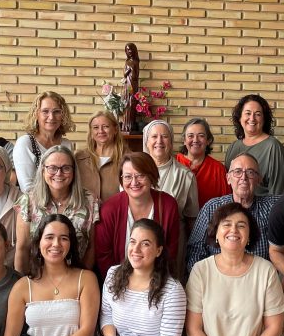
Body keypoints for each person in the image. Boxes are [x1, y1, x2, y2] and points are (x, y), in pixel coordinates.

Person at [185, 202, 284, 336]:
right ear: (216, 233)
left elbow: (274, 328)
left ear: (249, 236)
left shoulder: (265, 271)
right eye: (226, 224)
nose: (234, 230)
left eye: (241, 225)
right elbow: (193, 329)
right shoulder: (200, 271)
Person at [0, 214, 102, 336]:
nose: (56, 244)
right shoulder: (23, 286)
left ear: (71, 244)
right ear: (38, 242)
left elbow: (87, 330)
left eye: (63, 238)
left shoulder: (86, 278)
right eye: (49, 237)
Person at [96, 219, 187, 336]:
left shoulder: (172, 290)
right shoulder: (113, 274)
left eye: (145, 244)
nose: (136, 249)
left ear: (158, 250)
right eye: (132, 241)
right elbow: (106, 314)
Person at [186, 153, 280, 274]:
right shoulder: (212, 208)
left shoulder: (272, 207)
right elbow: (195, 250)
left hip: (259, 279)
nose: (244, 177)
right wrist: (203, 278)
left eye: (250, 172)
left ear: (259, 179)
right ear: (228, 178)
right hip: (216, 279)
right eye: (237, 172)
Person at [94, 152, 182, 277]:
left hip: (157, 279)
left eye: (140, 175)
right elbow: (104, 255)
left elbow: (170, 252)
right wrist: (121, 282)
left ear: (151, 176)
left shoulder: (168, 205)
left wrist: (154, 282)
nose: (134, 182)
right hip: (118, 280)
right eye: (128, 176)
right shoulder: (109, 209)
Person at [15, 145, 98, 273]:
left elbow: (92, 248)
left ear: (74, 171)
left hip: (76, 276)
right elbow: (22, 248)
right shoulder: (28, 202)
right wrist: (24, 281)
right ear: (43, 170)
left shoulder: (89, 201)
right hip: (37, 277)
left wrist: (81, 278)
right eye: (52, 168)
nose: (59, 173)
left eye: (66, 168)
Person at [142, 119, 199, 272]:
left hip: (173, 242)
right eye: (154, 137)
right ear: (146, 141)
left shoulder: (185, 175)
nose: (159, 141)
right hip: (140, 242)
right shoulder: (134, 172)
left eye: (165, 136)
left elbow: (192, 219)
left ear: (171, 142)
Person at [224, 94, 284, 196]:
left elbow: (278, 192)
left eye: (258, 114)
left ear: (264, 119)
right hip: (236, 205)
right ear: (240, 118)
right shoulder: (233, 147)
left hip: (265, 206)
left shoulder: (273, 147)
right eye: (248, 113)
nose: (252, 118)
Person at [14, 91, 75, 193]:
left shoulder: (66, 144)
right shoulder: (25, 143)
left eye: (56, 111)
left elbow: (70, 182)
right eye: (45, 111)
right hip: (35, 201)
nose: (51, 117)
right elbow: (27, 188)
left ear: (63, 115)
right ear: (36, 115)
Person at [176, 117, 230, 207]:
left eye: (201, 136)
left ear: (208, 140)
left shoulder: (218, 169)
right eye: (190, 136)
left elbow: (227, 204)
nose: (195, 140)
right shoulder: (174, 162)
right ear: (184, 140)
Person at [73, 110, 126, 203]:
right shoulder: (78, 158)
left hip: (116, 211)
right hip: (84, 211)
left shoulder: (127, 159)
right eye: (96, 127)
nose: (101, 131)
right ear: (91, 132)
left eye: (105, 126)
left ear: (115, 129)